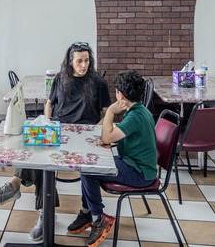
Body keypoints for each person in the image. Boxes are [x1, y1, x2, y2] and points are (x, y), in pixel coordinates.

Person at [0, 41, 111, 241]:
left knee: (78, 168)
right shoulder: (61, 79)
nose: (84, 65)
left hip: (84, 134)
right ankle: (42, 212)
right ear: (70, 62)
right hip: (58, 129)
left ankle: (17, 185)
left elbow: (107, 113)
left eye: (87, 60)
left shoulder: (98, 82)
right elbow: (49, 103)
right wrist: (46, 121)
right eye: (79, 61)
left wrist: (94, 131)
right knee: (39, 158)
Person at [66, 70, 158, 246]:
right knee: (88, 167)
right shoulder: (140, 110)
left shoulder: (135, 116)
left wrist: (109, 113)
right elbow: (118, 136)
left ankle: (97, 218)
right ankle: (88, 212)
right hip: (137, 166)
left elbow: (106, 138)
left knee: (88, 169)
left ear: (120, 95)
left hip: (140, 173)